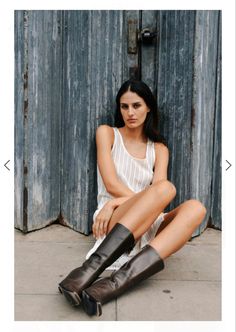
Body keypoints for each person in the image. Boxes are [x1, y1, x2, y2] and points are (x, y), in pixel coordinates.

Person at [58, 79, 206, 316]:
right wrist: (116, 203)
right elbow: (112, 184)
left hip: (142, 217)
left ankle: (109, 287)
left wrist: (119, 201)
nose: (130, 113)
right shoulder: (107, 134)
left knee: (196, 207)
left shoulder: (159, 149)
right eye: (124, 107)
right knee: (166, 189)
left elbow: (157, 198)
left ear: (149, 108)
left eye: (136, 106)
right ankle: (84, 273)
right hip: (117, 220)